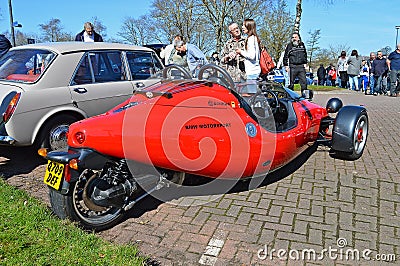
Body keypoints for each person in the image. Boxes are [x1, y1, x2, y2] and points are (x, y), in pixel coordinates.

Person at [236, 18, 261, 94]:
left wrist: (241, 52)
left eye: (244, 25)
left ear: (249, 26)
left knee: (252, 94)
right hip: (254, 71)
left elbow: (252, 56)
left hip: (252, 71)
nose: (242, 27)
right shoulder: (254, 38)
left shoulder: (250, 39)